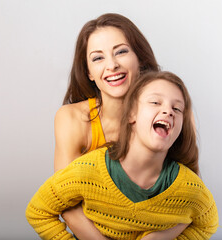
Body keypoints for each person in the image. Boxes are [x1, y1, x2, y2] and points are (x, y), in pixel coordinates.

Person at [26, 71, 219, 239]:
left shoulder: (190, 188)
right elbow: (38, 211)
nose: (168, 111)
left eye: (177, 109)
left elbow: (207, 224)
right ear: (130, 115)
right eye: (155, 102)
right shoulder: (88, 170)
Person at [54, 13, 180, 239]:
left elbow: (190, 200)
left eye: (121, 51)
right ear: (89, 73)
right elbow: (66, 202)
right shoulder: (71, 119)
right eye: (97, 58)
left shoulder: (169, 111)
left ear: (140, 59)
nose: (112, 65)